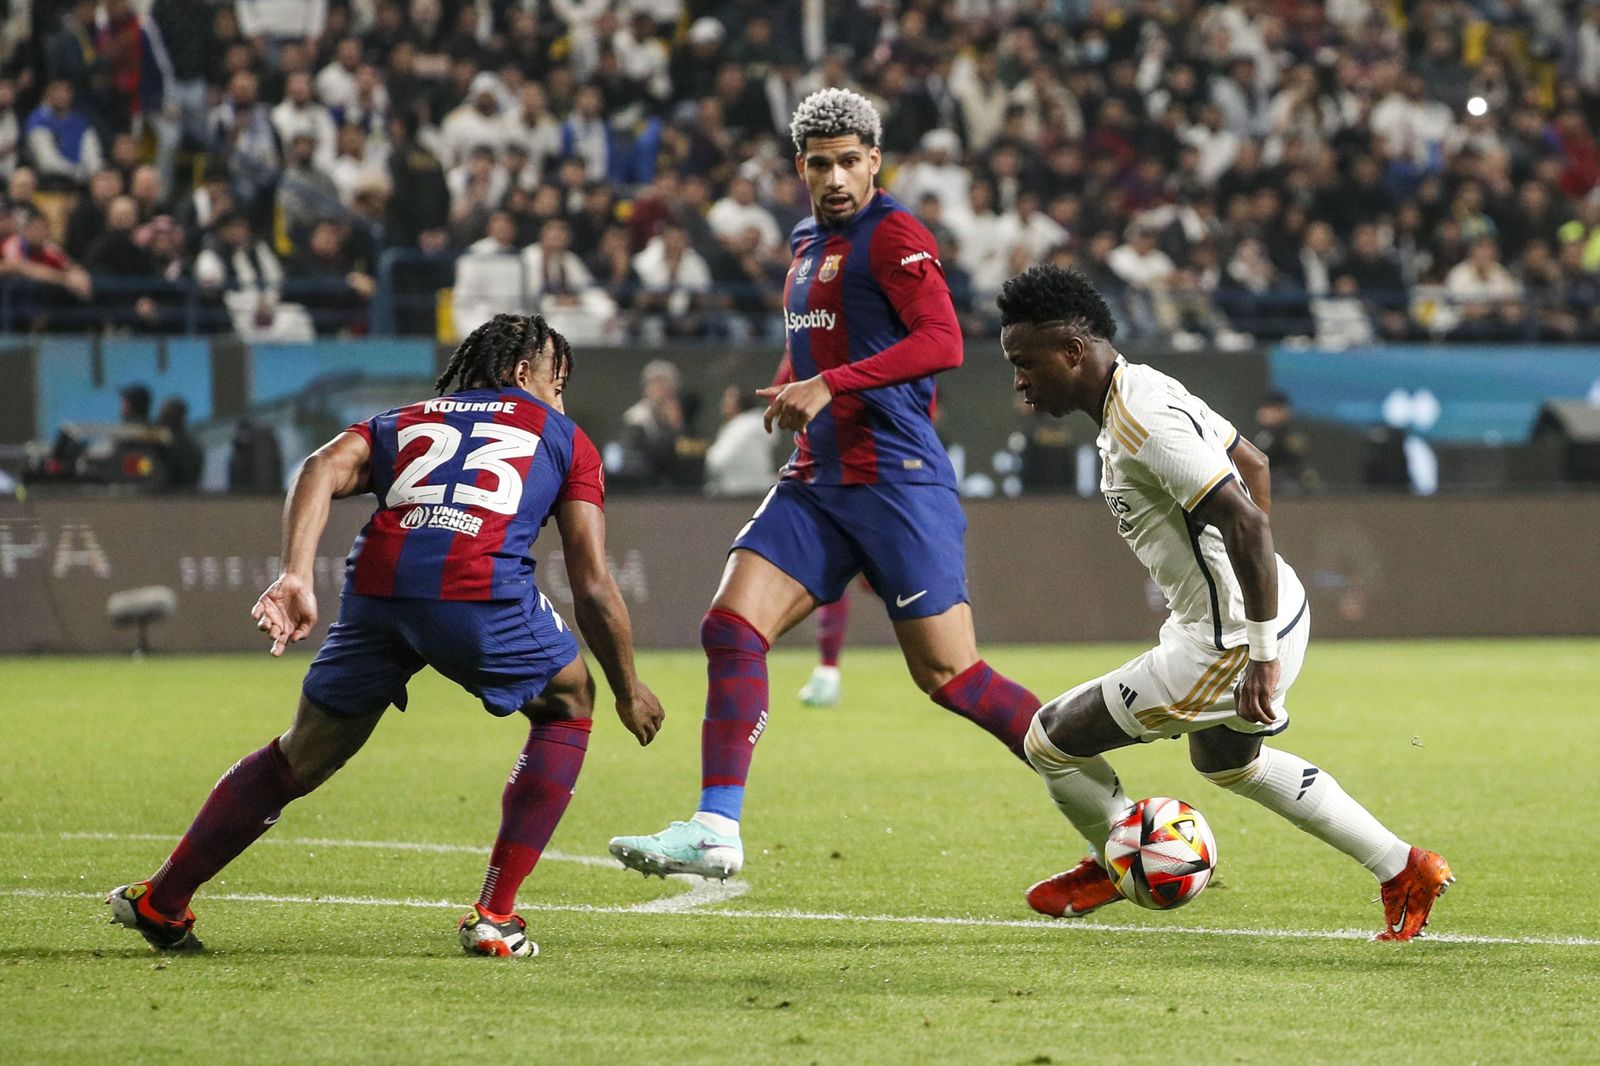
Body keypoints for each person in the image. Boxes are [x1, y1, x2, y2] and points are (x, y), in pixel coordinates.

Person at [106, 314, 665, 958]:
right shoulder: (565, 437)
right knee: (570, 700)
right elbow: (590, 582)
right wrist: (627, 687)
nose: (560, 398)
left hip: (376, 592)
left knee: (300, 755)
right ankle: (495, 914)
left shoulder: (405, 418)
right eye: (556, 382)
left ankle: (163, 899)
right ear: (522, 374)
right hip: (474, 588)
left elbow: (319, 466)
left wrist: (294, 574)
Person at [608, 89, 1043, 881]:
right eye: (820, 163)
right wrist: (790, 384)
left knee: (951, 677)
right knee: (731, 628)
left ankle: (1097, 782)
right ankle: (715, 828)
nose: (836, 176)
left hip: (894, 478)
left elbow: (944, 340)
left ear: (876, 160)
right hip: (818, 476)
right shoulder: (807, 241)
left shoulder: (897, 233)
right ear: (799, 169)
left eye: (850, 160)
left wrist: (834, 383)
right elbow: (816, 350)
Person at [994, 265, 1452, 941]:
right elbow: (1257, 465)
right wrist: (1254, 603)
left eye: (1024, 364)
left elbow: (1246, 518)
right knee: (1226, 762)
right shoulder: (1146, 386)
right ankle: (1402, 867)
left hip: (1230, 643)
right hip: (1272, 607)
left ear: (1070, 351)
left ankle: (1121, 857)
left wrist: (1255, 650)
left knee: (1051, 740)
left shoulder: (1141, 419)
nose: (1020, 382)